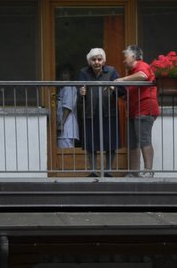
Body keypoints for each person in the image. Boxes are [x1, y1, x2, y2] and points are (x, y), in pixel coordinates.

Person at [116, 45, 160, 177]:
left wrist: (122, 80)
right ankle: (134, 172)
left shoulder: (142, 66)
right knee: (132, 143)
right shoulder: (131, 73)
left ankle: (148, 171)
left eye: (126, 57)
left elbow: (143, 75)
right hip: (134, 111)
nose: (124, 61)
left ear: (134, 57)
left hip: (145, 109)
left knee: (144, 140)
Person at [77, 48, 120, 178]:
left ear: (104, 60)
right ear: (90, 62)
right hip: (91, 113)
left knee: (110, 142)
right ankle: (94, 171)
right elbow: (79, 92)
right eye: (94, 60)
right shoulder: (84, 72)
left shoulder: (111, 71)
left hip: (109, 113)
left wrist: (114, 88)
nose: (97, 62)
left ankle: (108, 171)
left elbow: (123, 90)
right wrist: (81, 93)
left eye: (99, 59)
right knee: (91, 143)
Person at [54, 64, 80, 151]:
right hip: (64, 129)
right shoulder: (63, 88)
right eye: (61, 74)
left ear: (71, 74)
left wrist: (61, 124)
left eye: (65, 73)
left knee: (65, 153)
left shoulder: (69, 87)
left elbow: (67, 107)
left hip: (66, 128)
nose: (62, 76)